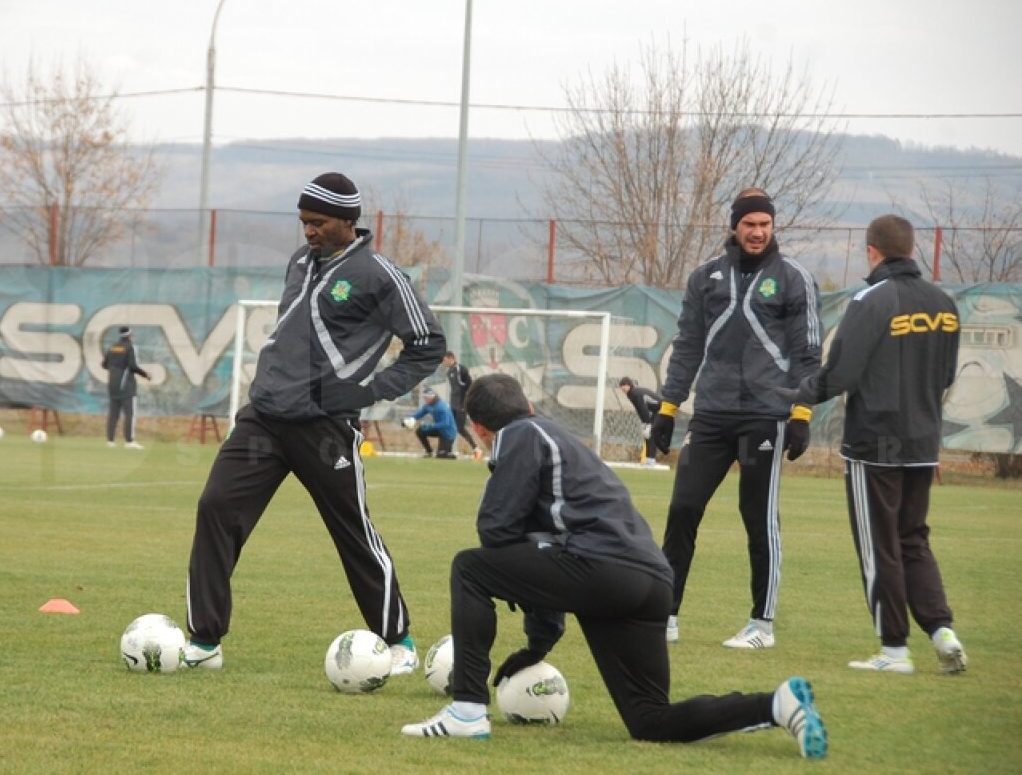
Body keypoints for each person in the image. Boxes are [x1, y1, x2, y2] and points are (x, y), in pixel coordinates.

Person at [400, 374, 827, 760]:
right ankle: (777, 704)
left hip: (600, 570)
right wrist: (537, 646)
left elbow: (496, 530)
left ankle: (467, 710)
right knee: (650, 719)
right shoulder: (553, 435)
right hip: (651, 581)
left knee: (469, 568)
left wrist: (527, 597)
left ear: (478, 429)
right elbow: (544, 552)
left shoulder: (519, 434)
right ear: (528, 404)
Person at [183, 173, 445, 675]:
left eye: (318, 222)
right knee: (215, 507)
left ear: (347, 221)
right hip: (263, 417)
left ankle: (398, 641)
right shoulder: (300, 261)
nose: (308, 230)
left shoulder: (380, 276)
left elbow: (427, 343)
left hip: (324, 428)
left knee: (352, 531)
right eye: (304, 221)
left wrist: (371, 391)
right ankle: (204, 640)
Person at [777, 215, 966, 676]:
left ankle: (894, 650)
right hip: (923, 440)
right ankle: (942, 633)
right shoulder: (944, 303)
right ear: (911, 248)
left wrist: (798, 394)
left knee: (878, 543)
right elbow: (946, 376)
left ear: (871, 251)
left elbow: (841, 373)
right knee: (913, 539)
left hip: (874, 443)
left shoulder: (871, 299)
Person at [650, 188, 821, 648]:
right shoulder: (705, 276)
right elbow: (687, 346)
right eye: (750, 224)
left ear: (773, 226)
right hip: (711, 413)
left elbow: (807, 352)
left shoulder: (794, 278)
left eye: (765, 224)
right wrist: (668, 408)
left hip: (766, 414)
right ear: (735, 226)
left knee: (757, 516)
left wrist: (801, 412)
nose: (758, 231)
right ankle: (665, 614)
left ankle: (761, 625)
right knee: (683, 508)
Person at [102, 326, 150, 449]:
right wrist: (145, 375)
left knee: (113, 414)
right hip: (126, 386)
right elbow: (132, 366)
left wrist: (115, 371)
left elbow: (104, 364)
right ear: (129, 335)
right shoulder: (129, 347)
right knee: (129, 414)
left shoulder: (113, 347)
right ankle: (129, 441)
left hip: (112, 384)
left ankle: (110, 441)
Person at [442, 351, 482, 459]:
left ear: (451, 358)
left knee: (460, 428)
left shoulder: (461, 369)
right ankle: (447, 451)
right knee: (450, 427)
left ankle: (476, 449)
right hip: (453, 405)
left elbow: (469, 386)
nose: (444, 362)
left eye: (445, 360)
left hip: (462, 405)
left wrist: (466, 401)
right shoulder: (449, 372)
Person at [618, 376, 661, 466]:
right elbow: (639, 409)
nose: (623, 387)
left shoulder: (635, 393)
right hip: (655, 411)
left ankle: (651, 460)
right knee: (647, 435)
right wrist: (644, 423)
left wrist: (647, 424)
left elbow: (643, 409)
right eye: (622, 386)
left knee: (651, 434)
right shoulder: (630, 394)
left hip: (661, 410)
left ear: (629, 385)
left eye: (625, 385)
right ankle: (649, 459)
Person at [406, 386, 458, 459]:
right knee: (420, 431)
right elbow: (418, 415)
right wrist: (408, 420)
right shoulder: (428, 406)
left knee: (440, 456)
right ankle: (429, 452)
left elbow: (445, 423)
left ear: (432, 397)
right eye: (424, 397)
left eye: (426, 397)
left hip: (448, 432)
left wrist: (431, 426)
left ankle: (448, 453)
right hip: (439, 429)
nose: (425, 399)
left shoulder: (441, 407)